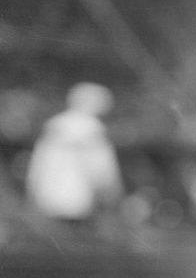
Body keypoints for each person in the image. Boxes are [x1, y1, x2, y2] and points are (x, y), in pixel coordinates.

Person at [25, 81, 123, 222]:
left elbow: (38, 165)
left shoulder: (53, 127)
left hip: (48, 201)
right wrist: (112, 194)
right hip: (82, 204)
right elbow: (103, 171)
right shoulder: (94, 130)